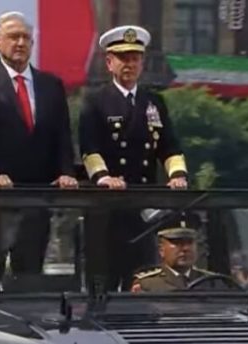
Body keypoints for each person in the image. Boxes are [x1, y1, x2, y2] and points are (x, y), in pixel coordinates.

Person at [0, 11, 79, 290]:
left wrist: (65, 171)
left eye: (26, 37)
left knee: (30, 270)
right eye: (14, 37)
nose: (21, 43)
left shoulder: (51, 85)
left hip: (37, 194)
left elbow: (61, 134)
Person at [78, 25, 190, 291]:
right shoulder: (96, 101)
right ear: (109, 62)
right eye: (122, 58)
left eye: (135, 58)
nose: (129, 64)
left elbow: (169, 146)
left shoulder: (154, 102)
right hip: (107, 206)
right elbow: (89, 149)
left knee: (142, 279)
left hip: (143, 206)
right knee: (103, 281)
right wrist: (104, 177)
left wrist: (177, 175)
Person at [131, 218, 216, 292]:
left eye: (189, 242)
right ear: (161, 250)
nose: (185, 248)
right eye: (177, 243)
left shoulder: (212, 282)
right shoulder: (147, 284)